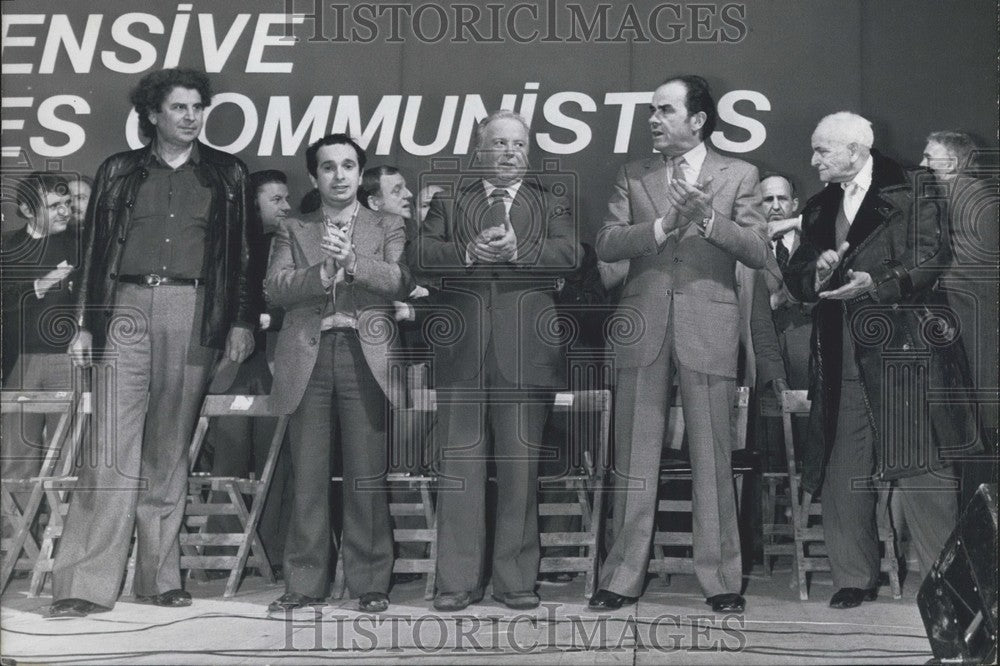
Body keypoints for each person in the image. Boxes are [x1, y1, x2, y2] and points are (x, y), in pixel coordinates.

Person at [50, 68, 256, 618]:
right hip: (125, 309)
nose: (191, 117)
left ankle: (158, 578)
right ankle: (83, 583)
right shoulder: (119, 170)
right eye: (180, 108)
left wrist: (240, 320)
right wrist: (86, 323)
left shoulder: (227, 174)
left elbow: (240, 259)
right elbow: (95, 251)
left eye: (197, 108)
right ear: (153, 114)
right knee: (110, 450)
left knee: (168, 450)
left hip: (194, 312)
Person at [590, 74, 768, 614]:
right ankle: (620, 577)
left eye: (665, 110)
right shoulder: (633, 174)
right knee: (633, 458)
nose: (653, 119)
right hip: (642, 328)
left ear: (698, 120)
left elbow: (758, 250)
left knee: (712, 458)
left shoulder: (740, 174)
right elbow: (607, 243)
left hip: (709, 327)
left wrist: (709, 219)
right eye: (652, 111)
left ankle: (721, 580)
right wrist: (665, 224)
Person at [783, 112, 976, 608]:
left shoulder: (914, 188)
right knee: (843, 466)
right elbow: (800, 271)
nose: (813, 159)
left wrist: (879, 284)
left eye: (822, 150)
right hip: (841, 350)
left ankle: (947, 585)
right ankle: (853, 576)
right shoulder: (819, 204)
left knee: (922, 470)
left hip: (902, 349)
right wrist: (818, 272)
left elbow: (932, 257)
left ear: (855, 150)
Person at [412, 109, 578, 612]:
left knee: (519, 470)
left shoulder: (552, 201)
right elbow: (417, 257)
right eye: (500, 143)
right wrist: (467, 252)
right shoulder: (448, 201)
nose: (510, 152)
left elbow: (572, 255)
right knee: (460, 469)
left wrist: (517, 251)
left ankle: (515, 581)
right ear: (479, 150)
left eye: (519, 144)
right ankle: (457, 582)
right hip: (462, 353)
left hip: (527, 354)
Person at [264, 133, 408, 615]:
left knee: (366, 472)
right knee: (307, 473)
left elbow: (401, 279)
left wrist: (353, 263)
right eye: (329, 167)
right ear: (314, 176)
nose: (339, 175)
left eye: (348, 166)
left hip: (365, 353)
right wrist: (323, 273)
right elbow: (275, 289)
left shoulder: (387, 224)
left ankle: (370, 583)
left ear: (359, 173)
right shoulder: (293, 227)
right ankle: (304, 583)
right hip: (309, 353)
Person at [202, 169, 294, 571]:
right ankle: (222, 556)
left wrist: (263, 320)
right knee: (230, 462)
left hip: (275, 365)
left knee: (276, 467)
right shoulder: (223, 249)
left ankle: (272, 557)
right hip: (234, 368)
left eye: (286, 198)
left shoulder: (291, 247)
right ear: (252, 203)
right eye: (276, 200)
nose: (286, 206)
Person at [920, 131, 999, 508]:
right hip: (976, 344)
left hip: (968, 345)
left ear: (951, 162)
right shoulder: (977, 195)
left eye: (929, 157)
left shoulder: (956, 195)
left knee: (974, 459)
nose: (922, 165)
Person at [1, 172, 78, 527]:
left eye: (67, 204)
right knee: (18, 456)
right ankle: (16, 543)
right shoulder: (6, 247)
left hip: (69, 360)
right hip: (19, 363)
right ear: (27, 210)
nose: (65, 212)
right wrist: (39, 285)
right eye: (54, 206)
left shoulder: (81, 246)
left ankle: (63, 540)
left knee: (71, 454)